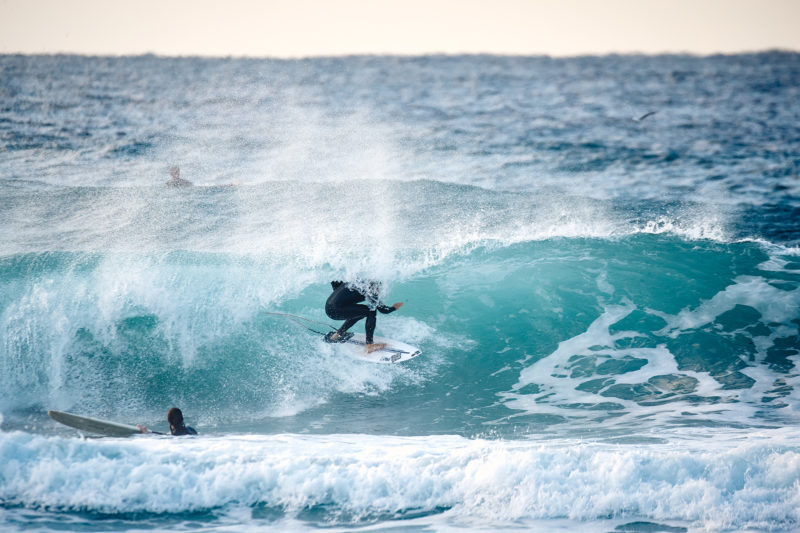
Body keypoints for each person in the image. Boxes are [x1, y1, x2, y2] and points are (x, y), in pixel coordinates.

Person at [324, 280, 403, 353]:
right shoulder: (371, 290)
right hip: (337, 311)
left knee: (360, 312)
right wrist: (394, 307)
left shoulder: (357, 282)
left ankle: (337, 335)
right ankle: (369, 345)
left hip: (328, 308)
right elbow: (384, 310)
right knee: (370, 311)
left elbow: (335, 284)